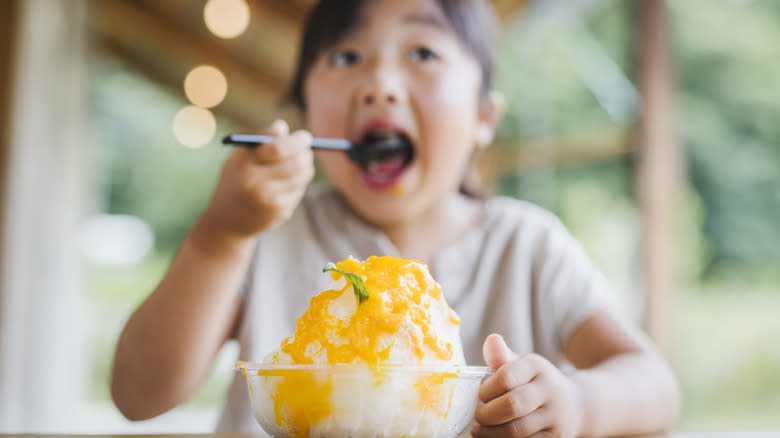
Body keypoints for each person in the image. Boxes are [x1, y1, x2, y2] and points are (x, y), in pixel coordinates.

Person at [110, 0, 681, 436]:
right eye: (345, 57)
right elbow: (139, 394)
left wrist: (578, 403)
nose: (379, 86)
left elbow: (655, 384)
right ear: (305, 111)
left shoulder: (527, 246)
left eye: (423, 53)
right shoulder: (266, 234)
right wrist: (220, 236)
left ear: (484, 115)